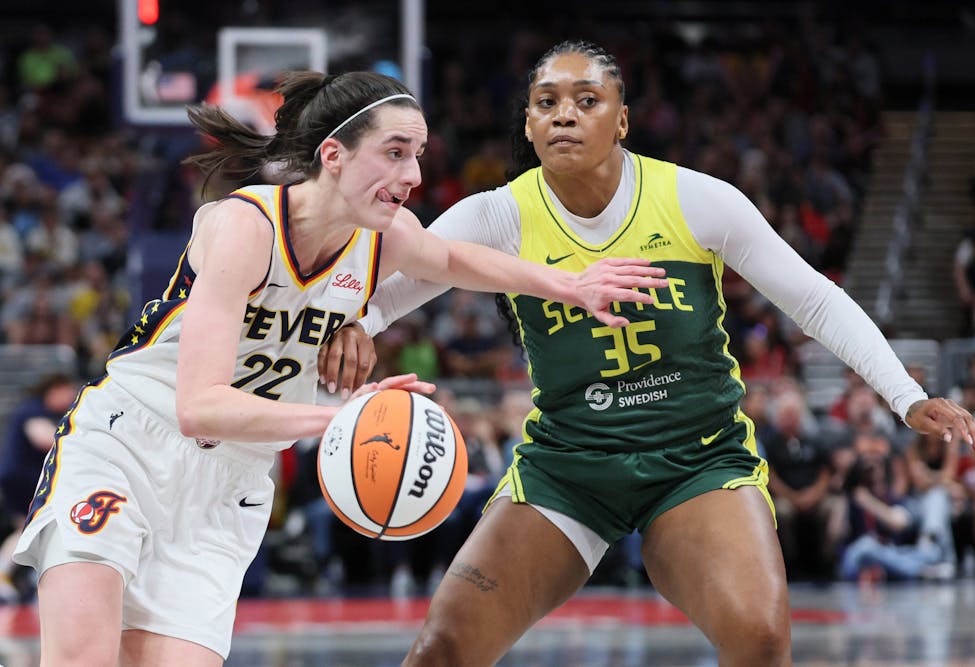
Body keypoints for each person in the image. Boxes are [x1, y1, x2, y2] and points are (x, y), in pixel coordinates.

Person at [322, 41, 975, 666]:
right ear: (527, 125)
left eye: (587, 100)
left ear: (623, 120)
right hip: (569, 466)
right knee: (441, 648)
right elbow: (390, 290)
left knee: (758, 636)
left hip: (695, 462)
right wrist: (361, 321)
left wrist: (907, 395)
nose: (565, 116)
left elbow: (813, 298)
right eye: (547, 103)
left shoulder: (696, 200)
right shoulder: (499, 215)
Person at [11, 69, 667, 667]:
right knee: (84, 656)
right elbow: (198, 403)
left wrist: (573, 284)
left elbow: (463, 260)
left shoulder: (385, 238)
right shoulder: (246, 227)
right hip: (129, 442)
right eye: (395, 152)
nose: (413, 174)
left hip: (230, 487)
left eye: (417, 155)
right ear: (333, 155)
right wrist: (344, 417)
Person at [0, 373, 78, 601]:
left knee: (24, 529)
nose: (72, 396)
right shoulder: (33, 410)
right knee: (31, 527)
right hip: (21, 479)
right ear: (54, 389)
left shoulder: (46, 412)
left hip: (25, 478)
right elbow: (45, 438)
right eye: (67, 391)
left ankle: (12, 574)